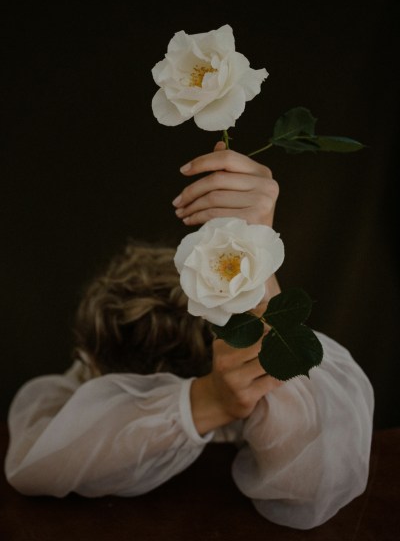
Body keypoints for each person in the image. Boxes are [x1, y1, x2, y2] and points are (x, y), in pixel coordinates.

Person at [4, 141, 374, 530]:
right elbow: (35, 464)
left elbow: (315, 487)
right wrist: (208, 401)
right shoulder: (87, 378)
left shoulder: (274, 394)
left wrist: (257, 267)